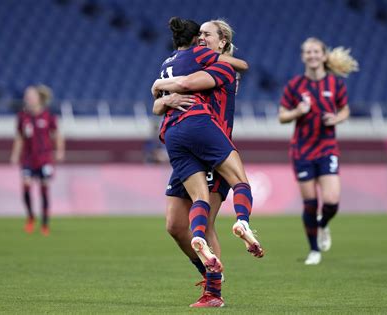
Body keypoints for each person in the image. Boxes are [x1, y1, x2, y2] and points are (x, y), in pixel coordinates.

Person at [151, 17, 263, 308]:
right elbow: (157, 104)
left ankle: (213, 292)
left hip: (211, 144)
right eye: (198, 34)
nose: (201, 38)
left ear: (222, 42)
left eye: (207, 34)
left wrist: (161, 85)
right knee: (175, 225)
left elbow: (187, 84)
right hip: (186, 138)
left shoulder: (222, 66)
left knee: (207, 222)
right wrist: (165, 100)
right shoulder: (192, 62)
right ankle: (210, 269)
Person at [278, 37, 358, 265]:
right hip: (302, 150)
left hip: (327, 148)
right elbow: (282, 116)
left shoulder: (335, 85)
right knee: (310, 203)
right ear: (303, 57)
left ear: (323, 56)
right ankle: (314, 251)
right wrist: (297, 112)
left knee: (332, 201)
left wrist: (336, 118)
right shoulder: (294, 85)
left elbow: (345, 110)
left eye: (316, 52)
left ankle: (322, 225)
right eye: (308, 52)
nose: (312, 56)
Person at [10, 85, 65, 236]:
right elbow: (19, 137)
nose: (27, 98)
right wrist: (15, 154)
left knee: (44, 187)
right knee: (26, 185)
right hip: (28, 158)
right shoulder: (22, 117)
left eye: (30, 96)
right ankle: (30, 216)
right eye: (26, 96)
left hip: (44, 158)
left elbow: (57, 135)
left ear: (39, 98)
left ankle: (45, 223)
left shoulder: (49, 117)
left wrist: (59, 151)